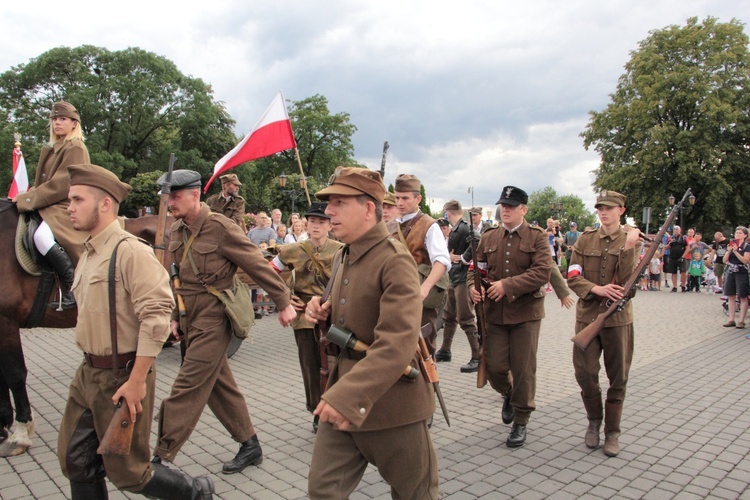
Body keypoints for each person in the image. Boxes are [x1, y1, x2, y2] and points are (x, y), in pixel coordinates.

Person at [59, 164, 213, 499]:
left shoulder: (129, 251)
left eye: (77, 199)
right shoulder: (88, 252)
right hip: (88, 374)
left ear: (103, 205)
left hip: (122, 375)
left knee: (129, 473)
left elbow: (156, 317)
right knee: (76, 461)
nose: (69, 207)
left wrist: (137, 380)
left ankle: (195, 493)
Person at [305, 167, 438, 498]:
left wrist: (347, 397)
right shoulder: (344, 253)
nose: (328, 211)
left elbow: (397, 345)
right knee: (323, 492)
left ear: (368, 208)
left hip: (393, 405)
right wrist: (320, 308)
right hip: (343, 392)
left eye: (338, 202)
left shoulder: (395, 261)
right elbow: (347, 305)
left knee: (415, 494)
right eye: (329, 203)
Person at [152, 170, 297, 474]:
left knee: (189, 383)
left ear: (195, 195)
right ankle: (250, 444)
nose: (170, 204)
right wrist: (174, 318)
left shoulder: (220, 227)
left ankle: (162, 457)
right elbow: (175, 279)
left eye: (175, 197)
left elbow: (256, 264)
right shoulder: (176, 231)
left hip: (216, 316)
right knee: (219, 386)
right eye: (167, 198)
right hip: (191, 316)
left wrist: (283, 302)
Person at [468, 186, 551, 448]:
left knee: (524, 370)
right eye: (503, 205)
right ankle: (509, 393)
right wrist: (473, 287)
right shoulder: (489, 236)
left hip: (526, 313)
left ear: (523, 210)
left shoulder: (537, 237)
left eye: (511, 206)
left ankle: (521, 420)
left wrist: (507, 285)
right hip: (494, 313)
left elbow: (542, 273)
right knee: (494, 367)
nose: (505, 210)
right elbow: (476, 269)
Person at [567, 190, 641, 457]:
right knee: (585, 374)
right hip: (588, 317)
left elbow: (629, 286)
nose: (603, 212)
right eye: (600, 207)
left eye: (609, 208)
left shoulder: (631, 240)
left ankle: (612, 432)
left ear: (621, 210)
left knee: (618, 377)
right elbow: (572, 275)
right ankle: (594, 421)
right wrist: (596, 289)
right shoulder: (585, 240)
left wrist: (630, 248)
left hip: (618, 320)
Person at [270, 202, 344, 433]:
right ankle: (316, 411)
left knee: (338, 364)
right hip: (303, 315)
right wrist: (283, 295)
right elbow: (268, 271)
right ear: (306, 222)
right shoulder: (292, 250)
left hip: (334, 314)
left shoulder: (342, 249)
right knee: (310, 366)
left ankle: (338, 407)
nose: (316, 226)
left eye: (321, 221)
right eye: (312, 221)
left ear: (330, 224)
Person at [13, 101, 91, 310]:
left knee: (41, 236)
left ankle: (72, 286)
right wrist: (29, 194)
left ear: (74, 124)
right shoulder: (56, 147)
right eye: (55, 119)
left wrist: (27, 200)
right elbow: (45, 184)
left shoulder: (75, 146)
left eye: (63, 119)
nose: (57, 122)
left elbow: (61, 184)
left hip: (65, 205)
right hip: (50, 204)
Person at [392, 174, 451, 349]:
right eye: (397, 198)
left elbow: (442, 261)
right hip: (393, 296)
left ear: (418, 199)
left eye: (405, 198)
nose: (400, 202)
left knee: (423, 353)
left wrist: (425, 288)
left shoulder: (429, 225)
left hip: (419, 299)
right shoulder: (390, 226)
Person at [435, 200, 481, 373]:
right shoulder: (457, 228)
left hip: (462, 278)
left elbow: (477, 240)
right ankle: (445, 350)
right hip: (454, 278)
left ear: (448, 212)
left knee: (466, 318)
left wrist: (462, 258)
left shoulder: (463, 227)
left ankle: (477, 356)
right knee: (449, 316)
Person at [721, 226, 750, 329]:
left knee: (742, 295)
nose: (737, 234)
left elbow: (745, 260)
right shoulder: (731, 245)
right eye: (736, 233)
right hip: (730, 270)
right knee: (731, 295)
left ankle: (741, 320)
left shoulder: (747, 246)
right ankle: (731, 319)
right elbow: (724, 261)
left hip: (741, 272)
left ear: (745, 235)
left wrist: (736, 252)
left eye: (740, 233)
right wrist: (729, 251)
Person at [665, 225, 688, 292]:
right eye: (675, 230)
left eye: (677, 230)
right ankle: (674, 287)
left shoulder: (683, 238)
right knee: (673, 272)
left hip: (681, 257)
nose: (676, 231)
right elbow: (666, 247)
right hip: (672, 257)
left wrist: (683, 256)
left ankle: (683, 286)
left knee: (683, 272)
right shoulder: (671, 238)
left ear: (680, 230)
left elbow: (687, 248)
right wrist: (670, 243)